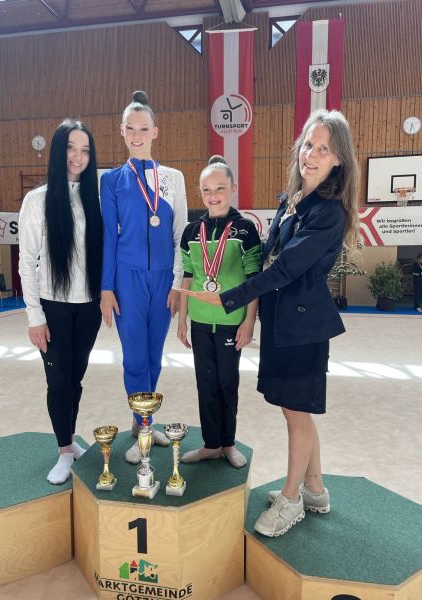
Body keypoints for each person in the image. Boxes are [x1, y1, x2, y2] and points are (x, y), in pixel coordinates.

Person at [182, 109, 360, 536]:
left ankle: (292, 499)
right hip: (282, 323)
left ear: (338, 159)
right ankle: (314, 489)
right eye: (308, 145)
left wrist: (229, 298)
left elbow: (284, 269)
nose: (311, 155)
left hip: (304, 329)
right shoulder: (293, 200)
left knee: (297, 414)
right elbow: (267, 256)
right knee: (295, 411)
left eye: (323, 149)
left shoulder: (328, 213)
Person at [100, 91, 188, 464]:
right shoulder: (111, 180)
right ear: (122, 131)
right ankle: (145, 427)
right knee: (135, 357)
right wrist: (106, 287)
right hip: (127, 279)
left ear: (155, 132)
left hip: (163, 279)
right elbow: (108, 236)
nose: (137, 135)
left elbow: (181, 234)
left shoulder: (173, 178)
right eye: (131, 129)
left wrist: (177, 285)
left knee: (154, 357)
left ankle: (142, 422)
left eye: (144, 128)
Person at [19, 119, 103, 484]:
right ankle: (64, 450)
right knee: (58, 380)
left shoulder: (95, 198)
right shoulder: (37, 200)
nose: (77, 156)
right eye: (71, 147)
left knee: (76, 378)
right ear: (58, 150)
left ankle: (70, 440)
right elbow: (26, 262)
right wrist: (34, 316)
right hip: (52, 306)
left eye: (85, 150)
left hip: (88, 306)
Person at [177, 156, 261, 468]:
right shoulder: (191, 231)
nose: (213, 195)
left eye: (220, 188)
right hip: (199, 320)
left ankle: (228, 443)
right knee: (205, 384)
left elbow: (253, 280)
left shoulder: (245, 230)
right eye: (207, 190)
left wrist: (249, 321)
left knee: (227, 383)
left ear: (233, 189)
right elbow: (187, 276)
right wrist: (182, 319)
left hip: (231, 320)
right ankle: (211, 444)